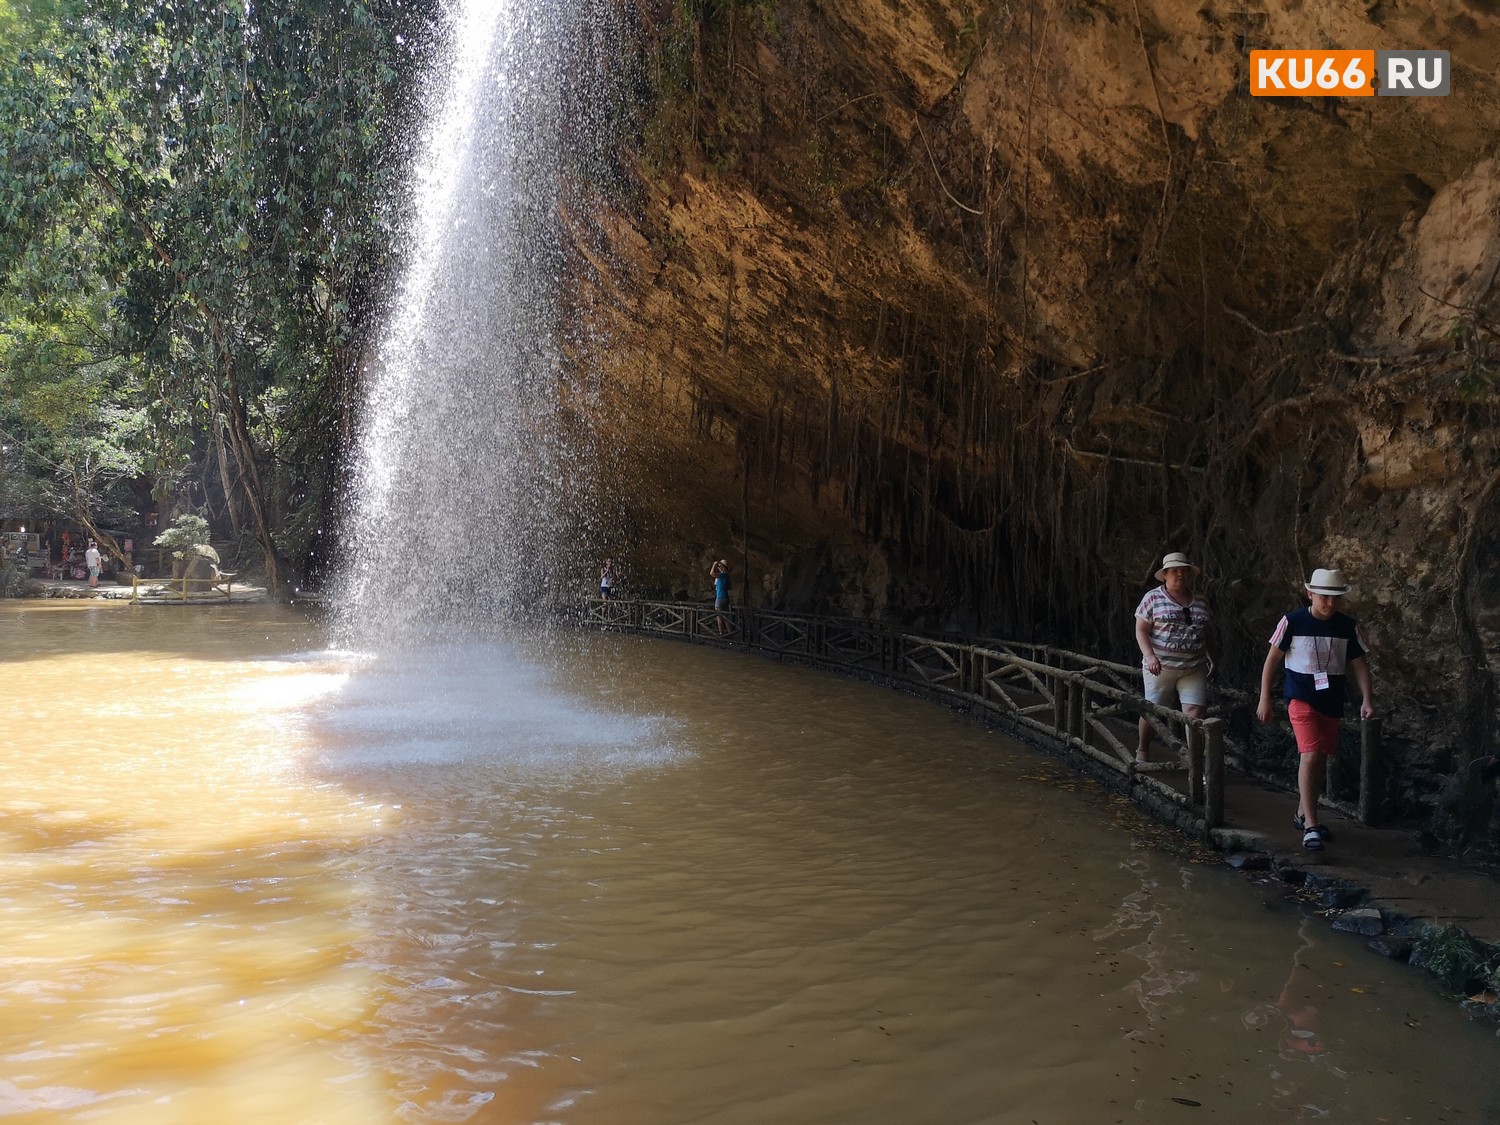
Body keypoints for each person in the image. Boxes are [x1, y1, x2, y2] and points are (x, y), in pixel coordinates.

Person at [1256, 567, 1375, 852]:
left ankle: (1301, 813)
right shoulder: (1293, 621)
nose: (1330, 603)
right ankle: (1311, 826)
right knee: (1309, 754)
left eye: (1336, 598)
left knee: (1320, 757)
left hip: (1331, 701)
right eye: (1324, 597)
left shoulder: (1348, 626)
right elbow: (1272, 660)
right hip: (1300, 698)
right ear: (1310, 594)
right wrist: (1265, 698)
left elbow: (1360, 665)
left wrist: (1367, 699)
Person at [1133, 551, 1214, 763]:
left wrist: (1211, 656)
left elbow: (1205, 631)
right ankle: (1142, 751)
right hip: (1160, 667)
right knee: (1152, 710)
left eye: (1184, 571)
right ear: (1165, 575)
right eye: (1175, 571)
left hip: (1193, 667)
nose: (1180, 575)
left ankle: (1195, 762)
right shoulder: (1152, 597)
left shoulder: (1200, 600)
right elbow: (1141, 630)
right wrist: (1149, 656)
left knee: (1195, 714)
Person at [710, 559, 731, 636]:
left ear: (723, 567)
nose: (719, 567)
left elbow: (711, 573)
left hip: (720, 598)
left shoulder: (722, 575)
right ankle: (730, 632)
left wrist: (714, 564)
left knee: (719, 616)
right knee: (725, 616)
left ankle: (721, 633)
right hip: (725, 597)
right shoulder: (726, 576)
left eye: (720, 566)